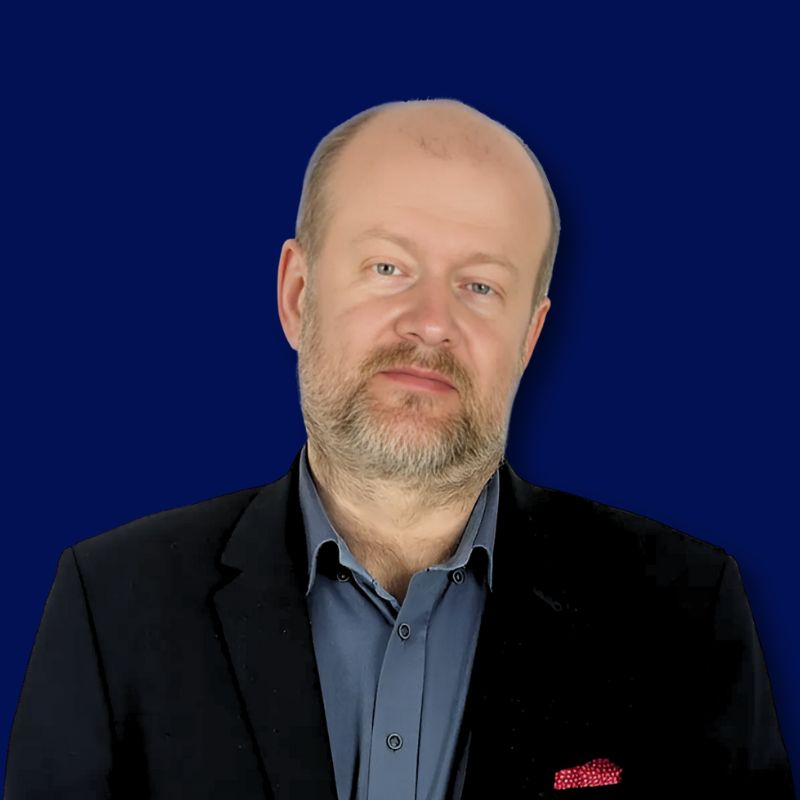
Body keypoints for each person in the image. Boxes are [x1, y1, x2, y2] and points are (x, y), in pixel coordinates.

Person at [5, 99, 794, 799]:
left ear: (528, 338)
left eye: (480, 286)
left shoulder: (685, 612)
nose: (431, 323)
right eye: (388, 268)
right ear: (298, 296)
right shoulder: (112, 605)